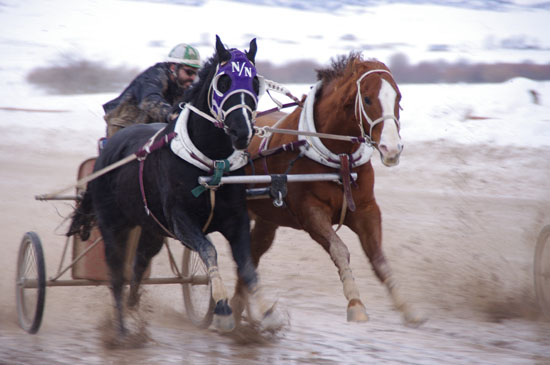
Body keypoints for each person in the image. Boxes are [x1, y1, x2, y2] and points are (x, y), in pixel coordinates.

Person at [102, 43, 201, 137]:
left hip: (149, 128)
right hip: (122, 125)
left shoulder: (183, 85)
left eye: (195, 74)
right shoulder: (153, 77)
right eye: (189, 72)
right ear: (173, 67)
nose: (192, 78)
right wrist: (171, 115)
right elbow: (150, 100)